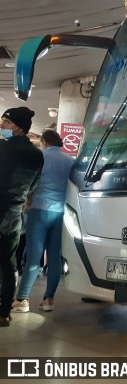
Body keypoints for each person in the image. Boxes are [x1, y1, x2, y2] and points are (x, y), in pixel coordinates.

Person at [12, 130, 74, 314]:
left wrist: (27, 199)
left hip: (39, 210)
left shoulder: (40, 156)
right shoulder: (70, 161)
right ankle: (49, 300)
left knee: (33, 257)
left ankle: (22, 299)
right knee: (55, 258)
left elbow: (30, 182)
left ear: (44, 142)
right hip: (61, 213)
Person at [0, 107, 43, 327]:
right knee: (8, 264)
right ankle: (4, 313)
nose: (2, 126)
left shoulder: (3, 148)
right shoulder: (37, 156)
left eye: (6, 122)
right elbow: (32, 188)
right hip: (14, 215)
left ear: (18, 127)